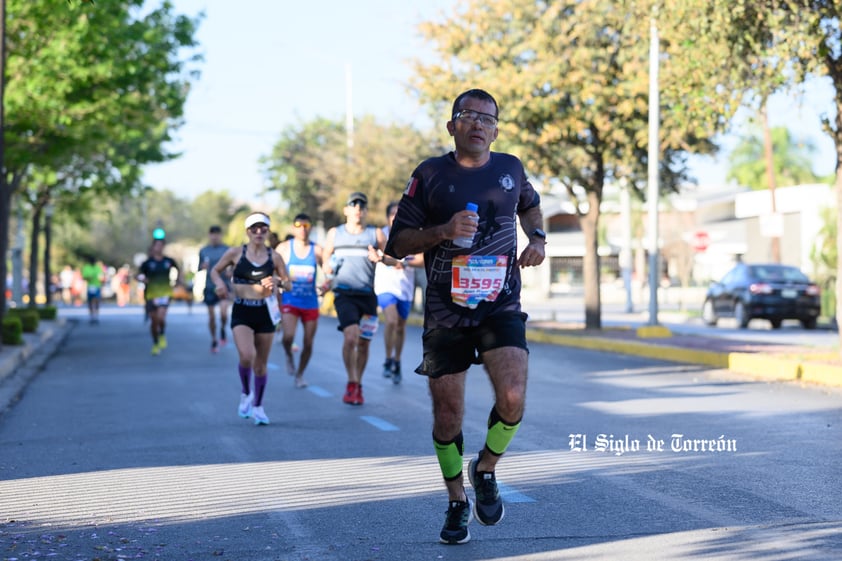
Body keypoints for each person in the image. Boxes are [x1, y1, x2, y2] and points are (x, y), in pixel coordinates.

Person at [384, 88, 546, 545]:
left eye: (488, 119)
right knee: (447, 415)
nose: (478, 124)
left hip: (500, 302)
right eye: (468, 116)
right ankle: (457, 500)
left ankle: (486, 468)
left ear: (495, 129)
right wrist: (443, 231)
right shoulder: (430, 174)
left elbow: (530, 204)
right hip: (444, 311)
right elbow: (397, 244)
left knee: (513, 396)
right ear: (452, 125)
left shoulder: (511, 168)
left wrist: (537, 237)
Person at [209, 212, 291, 426]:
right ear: (247, 231)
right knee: (247, 355)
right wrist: (219, 285)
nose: (258, 232)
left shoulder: (274, 257)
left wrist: (277, 282)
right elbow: (215, 271)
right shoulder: (236, 253)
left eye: (263, 228)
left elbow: (288, 283)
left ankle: (258, 407)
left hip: (265, 311)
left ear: (268, 231)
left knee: (261, 365)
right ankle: (246, 392)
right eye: (254, 228)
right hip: (242, 310)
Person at [321, 192, 389, 406]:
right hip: (344, 293)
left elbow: (395, 260)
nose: (358, 208)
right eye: (353, 204)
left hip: (367, 295)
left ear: (366, 211)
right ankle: (351, 382)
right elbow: (325, 257)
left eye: (362, 205)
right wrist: (327, 268)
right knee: (351, 338)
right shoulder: (335, 233)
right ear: (346, 210)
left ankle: (358, 383)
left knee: (364, 343)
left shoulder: (375, 234)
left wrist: (381, 258)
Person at [374, 201, 423, 384]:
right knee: (392, 321)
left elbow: (422, 260)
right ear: (388, 217)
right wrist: (392, 260)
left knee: (401, 326)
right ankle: (387, 359)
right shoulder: (381, 235)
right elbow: (385, 256)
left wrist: (406, 263)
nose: (396, 216)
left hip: (405, 287)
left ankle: (397, 360)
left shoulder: (412, 236)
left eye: (399, 213)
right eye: (393, 213)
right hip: (386, 286)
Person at [276, 213, 323, 389]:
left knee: (308, 343)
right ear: (293, 227)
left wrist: (326, 285)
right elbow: (273, 269)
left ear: (310, 227)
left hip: (310, 302)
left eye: (306, 225)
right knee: (288, 337)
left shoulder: (316, 249)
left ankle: (300, 374)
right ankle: (288, 354)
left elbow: (328, 269)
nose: (303, 229)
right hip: (290, 300)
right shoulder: (284, 248)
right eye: (299, 225)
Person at [138, 238, 182, 355]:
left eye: (161, 245)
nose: (159, 247)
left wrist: (178, 280)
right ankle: (155, 342)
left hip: (165, 293)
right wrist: (142, 279)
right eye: (157, 245)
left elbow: (178, 269)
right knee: (154, 321)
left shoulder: (168, 261)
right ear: (153, 247)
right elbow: (138, 275)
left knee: (161, 318)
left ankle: (162, 333)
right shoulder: (147, 263)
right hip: (151, 294)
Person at [199, 225, 231, 353]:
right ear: (209, 235)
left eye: (217, 234)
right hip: (210, 286)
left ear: (220, 235)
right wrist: (203, 266)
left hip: (224, 285)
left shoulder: (227, 249)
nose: (215, 236)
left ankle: (223, 328)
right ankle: (214, 339)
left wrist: (231, 272)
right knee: (211, 316)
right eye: (212, 234)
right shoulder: (204, 251)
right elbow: (199, 268)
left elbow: (234, 267)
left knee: (223, 313)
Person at [80, 256, 104, 324]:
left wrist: (101, 280)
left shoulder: (98, 268)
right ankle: (91, 315)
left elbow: (101, 277)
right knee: (90, 301)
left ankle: (96, 315)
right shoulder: (87, 267)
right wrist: (88, 277)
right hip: (90, 286)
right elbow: (84, 277)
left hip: (97, 286)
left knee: (97, 300)